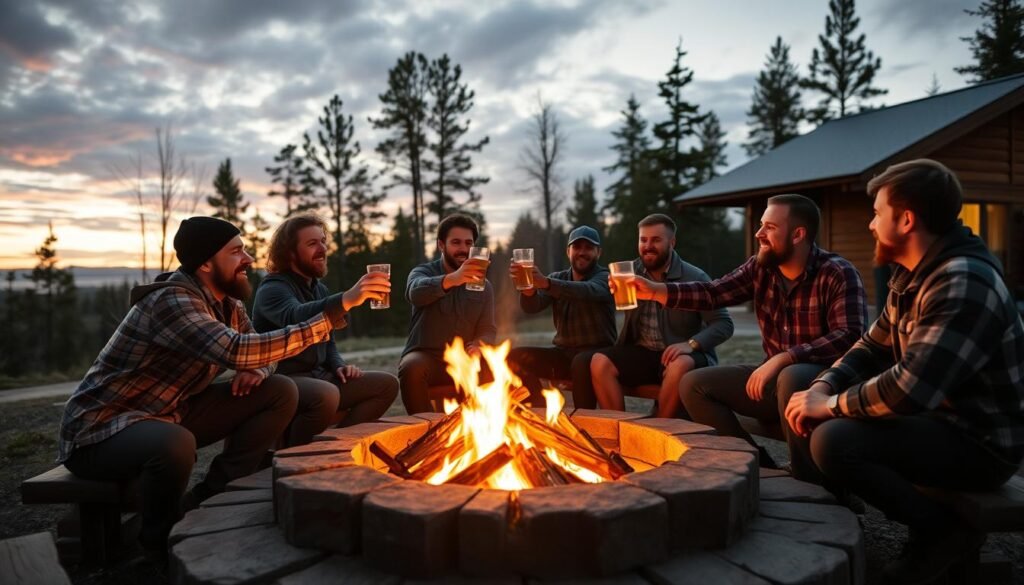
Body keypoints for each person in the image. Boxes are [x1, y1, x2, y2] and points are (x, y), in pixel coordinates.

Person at [57, 217, 388, 556]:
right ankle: (159, 542)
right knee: (175, 444)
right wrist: (337, 309)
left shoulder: (229, 305)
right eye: (236, 252)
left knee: (279, 390)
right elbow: (238, 350)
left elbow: (259, 350)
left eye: (244, 250)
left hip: (169, 412)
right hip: (102, 429)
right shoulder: (172, 301)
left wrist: (258, 368)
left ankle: (212, 499)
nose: (248, 259)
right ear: (204, 263)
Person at [785, 159, 1024, 583]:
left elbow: (909, 390)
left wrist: (830, 406)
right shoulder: (912, 272)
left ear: (907, 219)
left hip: (979, 442)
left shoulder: (963, 280)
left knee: (834, 440)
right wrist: (824, 383)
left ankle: (941, 532)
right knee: (804, 382)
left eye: (877, 213)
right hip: (934, 420)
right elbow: (871, 346)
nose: (871, 225)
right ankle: (829, 510)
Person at [627, 195, 867, 471]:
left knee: (791, 374)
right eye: (761, 225)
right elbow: (713, 293)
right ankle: (760, 467)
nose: (758, 233)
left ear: (798, 234)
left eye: (770, 227)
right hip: (772, 382)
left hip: (822, 387)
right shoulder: (760, 267)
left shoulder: (837, 273)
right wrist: (657, 291)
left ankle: (813, 483)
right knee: (694, 384)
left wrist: (785, 358)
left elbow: (850, 336)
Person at [252, 213, 399, 446]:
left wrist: (339, 365)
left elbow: (328, 341)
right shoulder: (272, 288)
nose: (322, 248)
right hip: (284, 379)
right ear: (290, 253)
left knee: (386, 384)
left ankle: (339, 445)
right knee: (325, 394)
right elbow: (295, 316)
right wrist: (348, 298)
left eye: (323, 241)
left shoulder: (319, 289)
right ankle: (292, 457)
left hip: (320, 375)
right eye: (312, 243)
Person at [590, 213, 733, 417]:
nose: (648, 246)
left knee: (680, 364)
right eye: (643, 240)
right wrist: (611, 289)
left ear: (672, 242)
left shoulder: (695, 277)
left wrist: (690, 344)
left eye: (656, 240)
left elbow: (724, 324)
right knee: (599, 361)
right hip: (644, 353)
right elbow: (597, 292)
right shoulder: (630, 272)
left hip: (685, 354)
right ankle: (618, 432)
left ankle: (661, 432)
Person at [506, 226, 616, 406]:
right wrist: (528, 290)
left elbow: (588, 291)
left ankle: (584, 421)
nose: (582, 252)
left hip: (598, 355)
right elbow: (532, 307)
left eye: (588, 248)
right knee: (513, 357)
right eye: (577, 247)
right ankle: (541, 409)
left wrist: (546, 283)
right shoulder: (558, 277)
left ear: (599, 252)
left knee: (581, 362)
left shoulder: (605, 277)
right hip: (563, 356)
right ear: (568, 251)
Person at [399, 214, 496, 414]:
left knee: (498, 365)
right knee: (411, 368)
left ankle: (483, 431)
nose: (463, 249)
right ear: (441, 245)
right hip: (427, 357)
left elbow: (488, 329)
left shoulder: (483, 286)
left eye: (469, 243)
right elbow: (414, 293)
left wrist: (479, 344)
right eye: (456, 242)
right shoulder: (422, 272)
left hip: (465, 360)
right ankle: (424, 432)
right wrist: (453, 279)